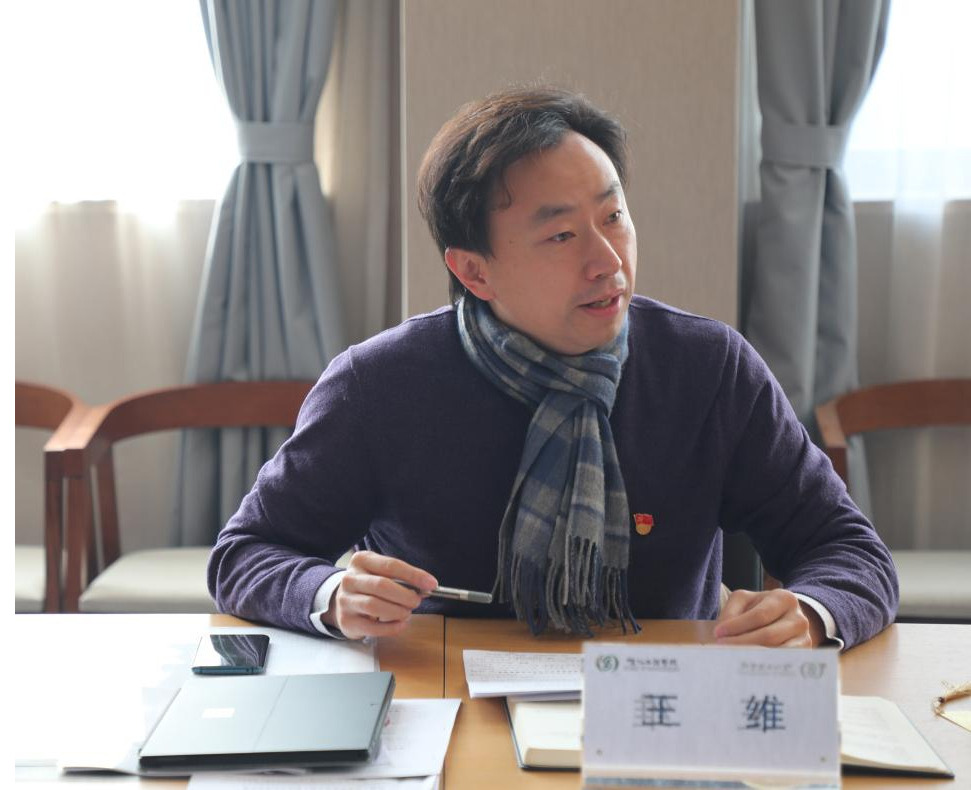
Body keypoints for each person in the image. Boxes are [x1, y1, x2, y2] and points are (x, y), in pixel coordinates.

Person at [209, 87, 898, 649]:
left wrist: (811, 613)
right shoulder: (380, 384)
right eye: (562, 235)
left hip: (658, 703)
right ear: (474, 271)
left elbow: (848, 550)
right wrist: (330, 593)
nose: (608, 260)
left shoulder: (707, 368)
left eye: (614, 216)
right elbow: (246, 553)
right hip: (444, 700)